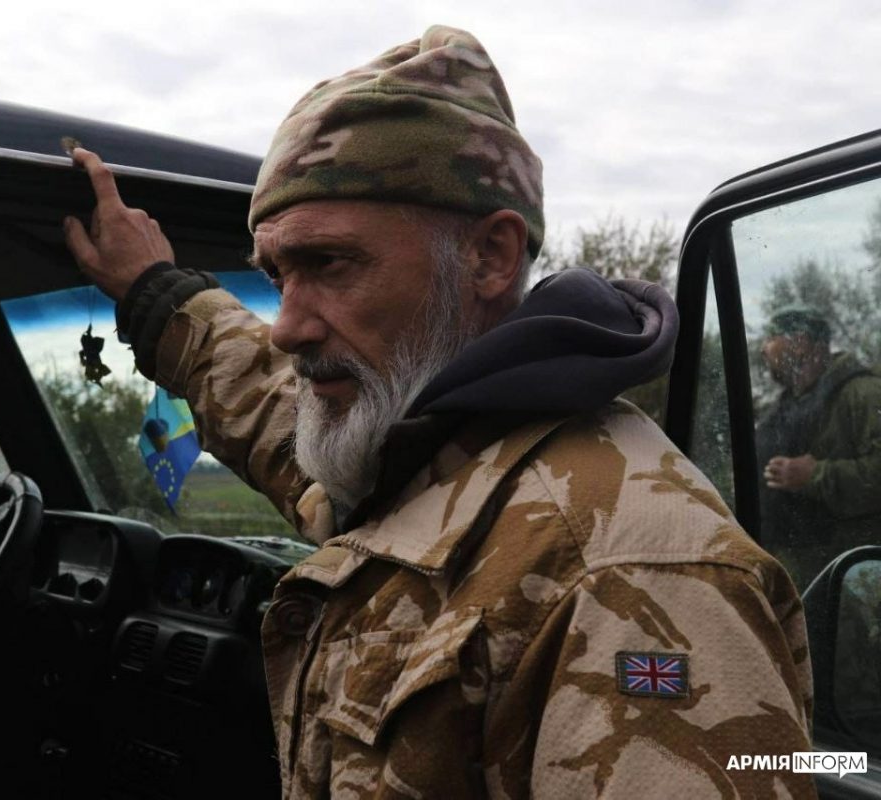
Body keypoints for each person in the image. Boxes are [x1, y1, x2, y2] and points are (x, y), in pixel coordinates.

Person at [63, 26, 815, 798]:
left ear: (490, 257)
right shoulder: (413, 462)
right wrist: (156, 294)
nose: (285, 327)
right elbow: (274, 414)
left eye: (329, 264)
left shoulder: (630, 575)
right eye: (279, 275)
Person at [757, 304, 881, 589]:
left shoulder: (863, 393)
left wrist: (814, 475)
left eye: (771, 338)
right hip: (797, 570)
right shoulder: (785, 406)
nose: (764, 349)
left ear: (800, 343)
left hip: (852, 577)